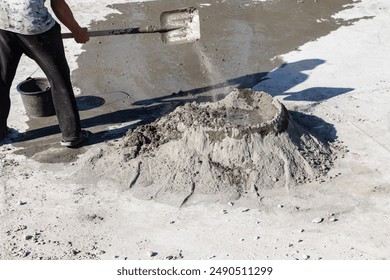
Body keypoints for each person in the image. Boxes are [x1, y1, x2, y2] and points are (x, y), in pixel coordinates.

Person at [0, 0, 89, 147]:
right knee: (59, 79)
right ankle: (72, 135)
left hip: (4, 23)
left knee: (1, 80)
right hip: (36, 27)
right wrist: (77, 32)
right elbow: (58, 4)